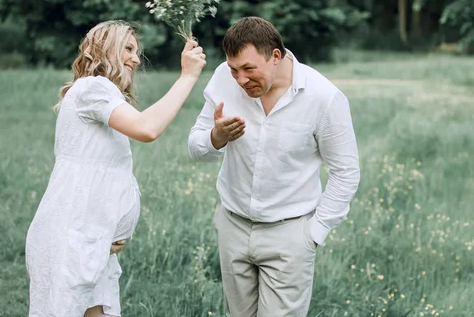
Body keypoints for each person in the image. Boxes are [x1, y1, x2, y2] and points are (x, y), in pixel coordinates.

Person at [26, 20, 206, 317]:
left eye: (137, 51)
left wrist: (109, 229)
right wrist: (187, 77)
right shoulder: (92, 87)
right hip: (72, 239)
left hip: (89, 238)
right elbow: (147, 128)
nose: (136, 58)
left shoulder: (100, 94)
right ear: (105, 49)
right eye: (128, 48)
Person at [188, 17, 360, 317]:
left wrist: (314, 234)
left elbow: (346, 171)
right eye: (234, 70)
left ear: (276, 56)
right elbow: (196, 147)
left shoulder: (323, 97)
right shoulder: (223, 79)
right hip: (233, 225)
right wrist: (216, 138)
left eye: (248, 69)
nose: (240, 79)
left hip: (290, 234)